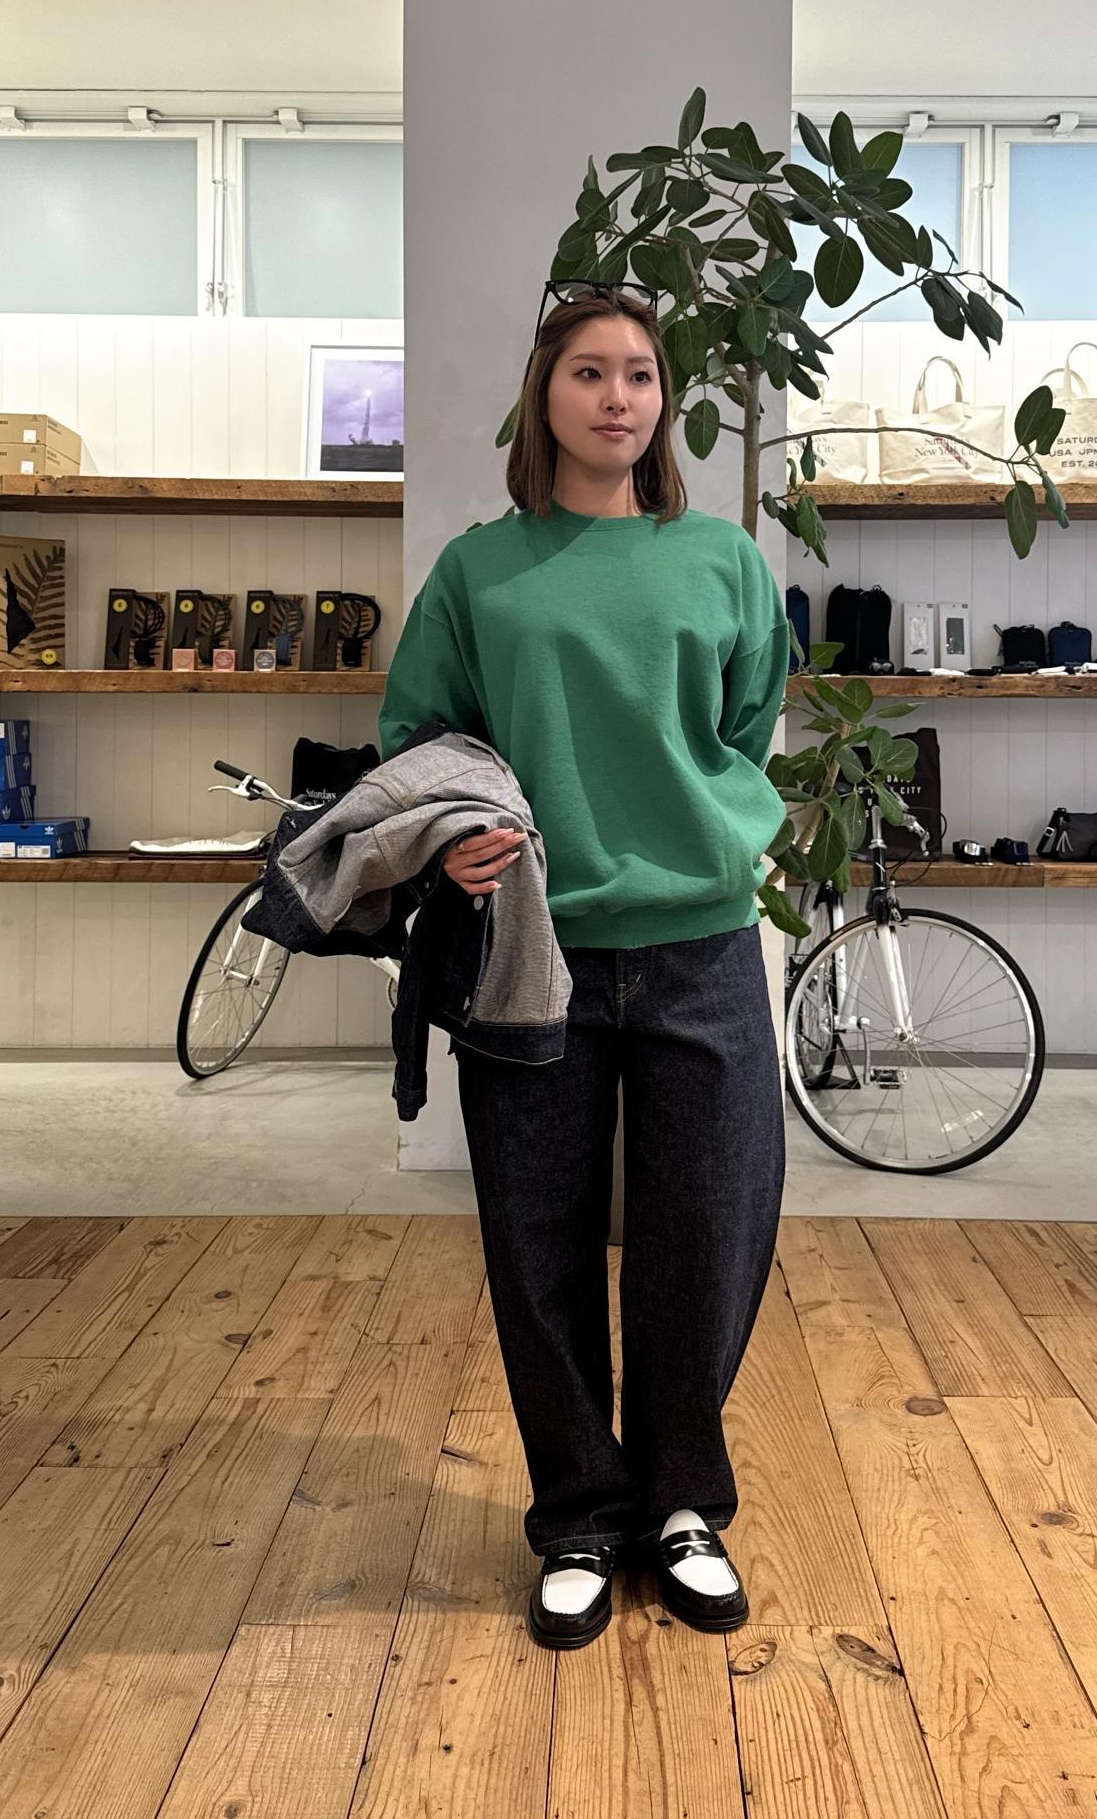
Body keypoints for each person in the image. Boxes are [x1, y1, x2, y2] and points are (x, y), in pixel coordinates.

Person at [377, 278, 791, 1650]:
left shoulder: (721, 561)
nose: (619, 396)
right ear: (542, 396)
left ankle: (680, 1507)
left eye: (640, 375)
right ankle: (577, 1517)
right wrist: (451, 841)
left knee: (705, 1235)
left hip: (700, 944)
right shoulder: (479, 570)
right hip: (530, 951)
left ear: (664, 401)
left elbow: (745, 725)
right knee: (537, 1238)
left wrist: (694, 828)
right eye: (589, 372)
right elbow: (420, 740)